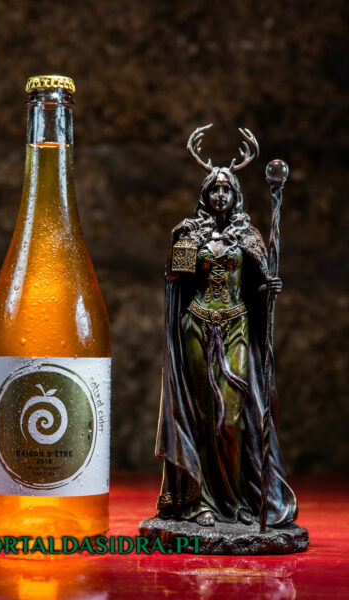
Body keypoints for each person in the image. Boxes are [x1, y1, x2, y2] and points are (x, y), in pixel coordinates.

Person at [155, 125, 297, 527]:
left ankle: (235, 501)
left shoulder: (247, 235)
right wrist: (180, 252)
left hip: (235, 325)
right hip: (196, 325)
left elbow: (257, 285)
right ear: (205, 194)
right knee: (202, 416)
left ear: (236, 195)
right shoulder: (189, 232)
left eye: (227, 189)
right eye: (214, 189)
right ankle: (200, 501)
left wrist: (269, 287)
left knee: (232, 419)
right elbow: (176, 280)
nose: (220, 195)